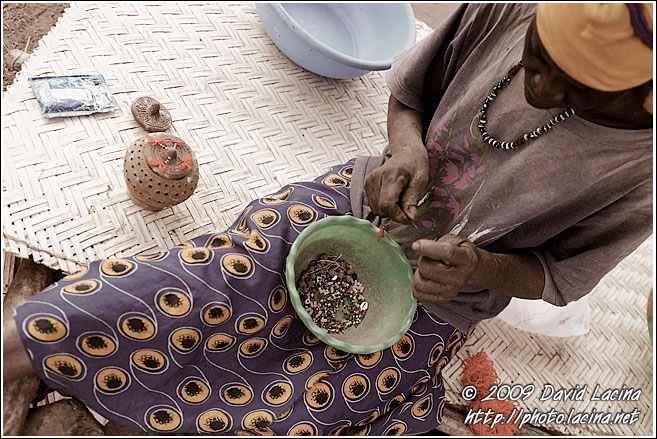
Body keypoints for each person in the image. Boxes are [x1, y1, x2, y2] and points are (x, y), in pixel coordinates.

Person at [2, 3, 653, 435]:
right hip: (354, 205)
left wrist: (478, 267)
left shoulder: (641, 165)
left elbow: (560, 277)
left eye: (568, 90)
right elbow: (410, 92)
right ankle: (29, 348)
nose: (535, 89)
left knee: (316, 398)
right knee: (209, 280)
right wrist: (406, 151)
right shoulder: (514, 8)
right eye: (530, 62)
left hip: (439, 299)